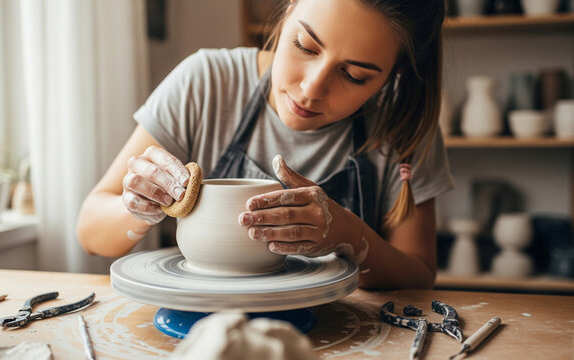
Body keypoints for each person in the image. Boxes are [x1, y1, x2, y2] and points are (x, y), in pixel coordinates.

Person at [77, 0, 453, 289]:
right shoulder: (206, 83)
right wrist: (140, 207)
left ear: (393, 75)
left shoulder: (401, 125)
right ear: (289, 9)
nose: (311, 89)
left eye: (353, 76)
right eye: (305, 46)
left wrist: (348, 235)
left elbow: (419, 277)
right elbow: (91, 230)